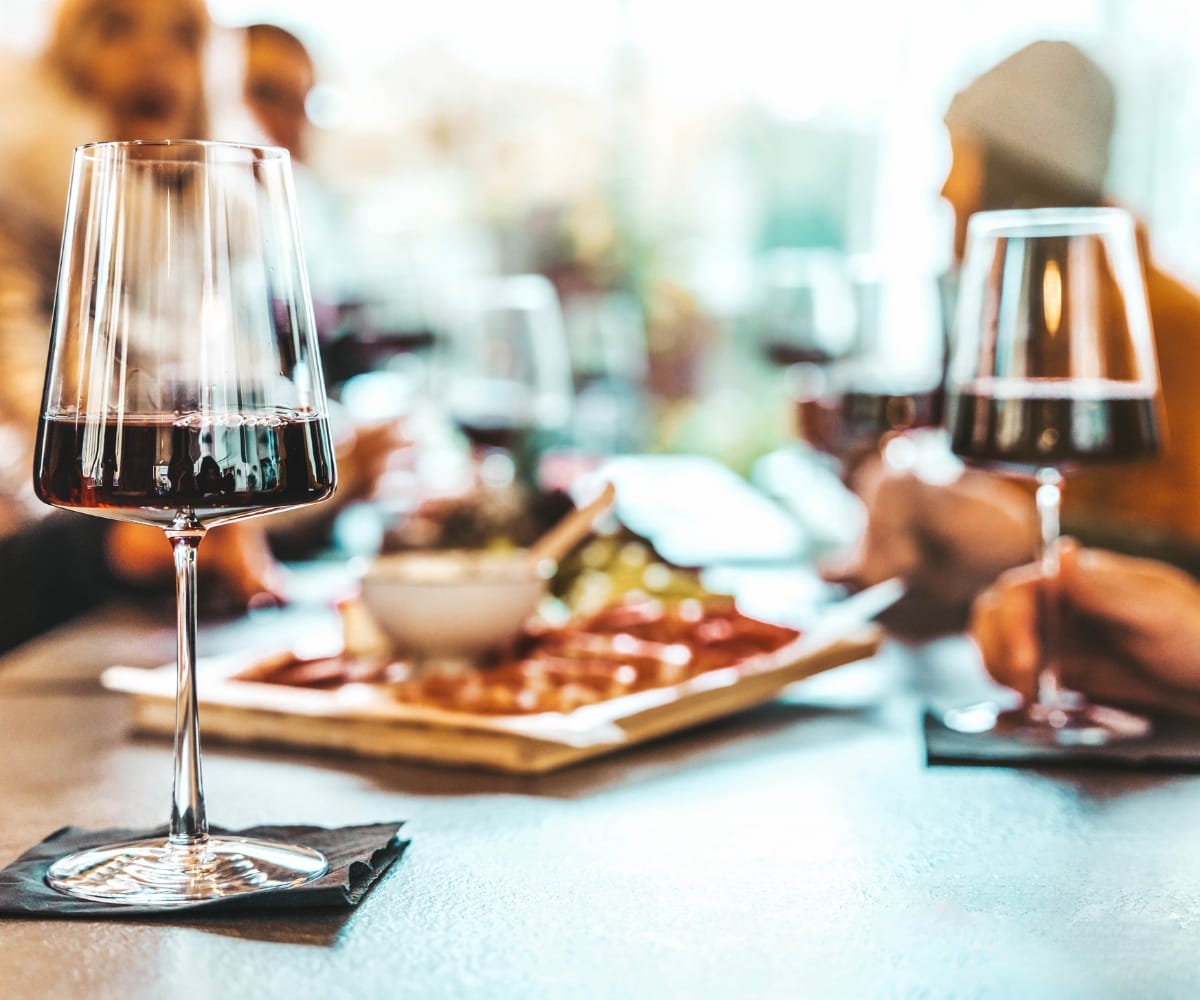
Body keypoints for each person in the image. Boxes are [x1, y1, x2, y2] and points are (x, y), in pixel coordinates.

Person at [832, 40, 1200, 635]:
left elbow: (1185, 548)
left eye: (958, 159)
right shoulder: (1010, 316)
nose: (942, 190)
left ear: (1013, 175)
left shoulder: (1173, 328)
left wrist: (1021, 535)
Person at [0, 0, 298, 651]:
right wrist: (115, 542)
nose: (152, 54)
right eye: (115, 26)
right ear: (68, 62)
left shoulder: (215, 233)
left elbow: (229, 457)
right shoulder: (16, 216)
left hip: (130, 636)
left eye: (185, 34)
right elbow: (38, 454)